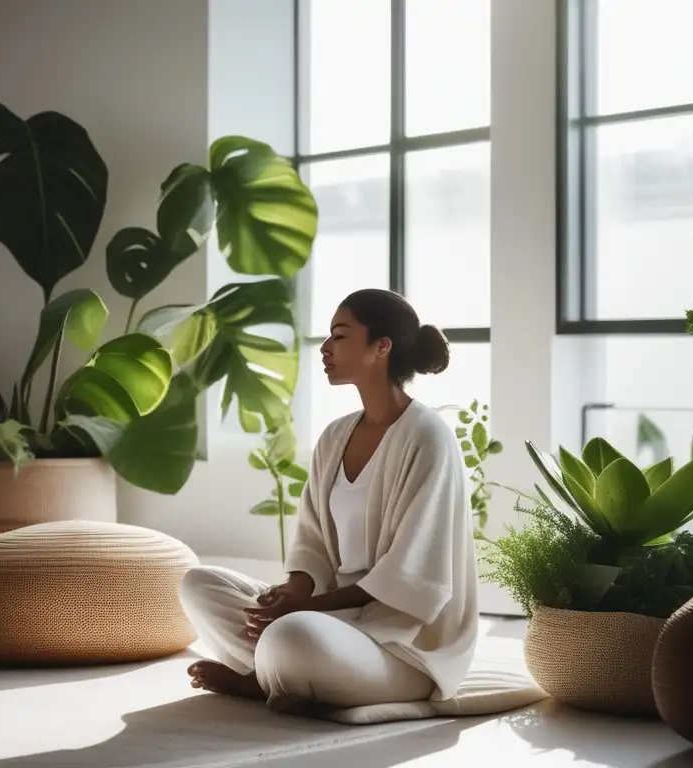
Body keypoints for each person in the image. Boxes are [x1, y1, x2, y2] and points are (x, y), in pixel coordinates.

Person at [181, 288, 479, 714]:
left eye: (339, 336)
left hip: (401, 644)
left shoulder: (428, 437)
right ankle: (281, 672)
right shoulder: (336, 435)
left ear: (382, 347)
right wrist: (291, 591)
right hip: (334, 621)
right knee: (200, 584)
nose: (325, 347)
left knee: (292, 636)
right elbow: (312, 541)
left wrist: (302, 610)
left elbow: (412, 578)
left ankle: (270, 675)